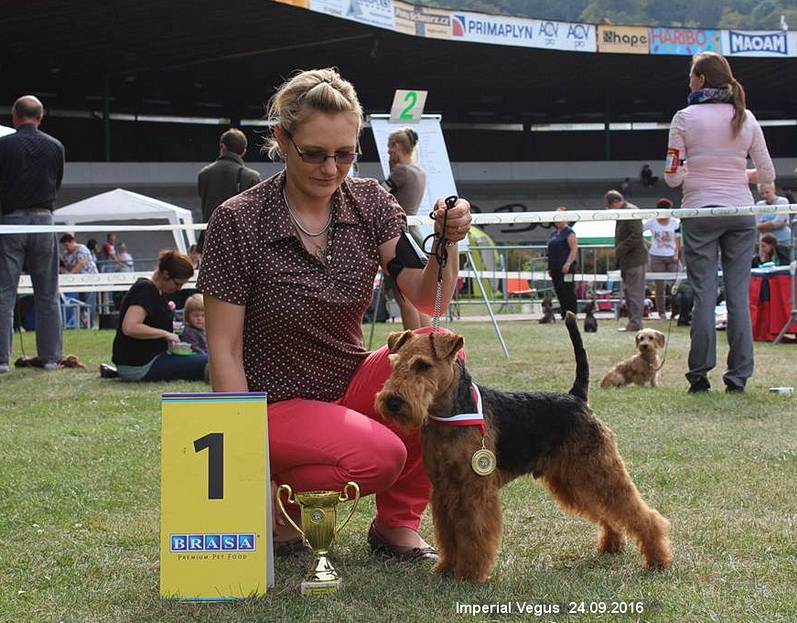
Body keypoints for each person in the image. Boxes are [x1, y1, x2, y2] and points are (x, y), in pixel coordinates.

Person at [197, 67, 471, 561]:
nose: (331, 168)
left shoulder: (369, 201)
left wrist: (446, 241)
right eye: (314, 153)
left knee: (442, 367)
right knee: (380, 455)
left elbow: (426, 299)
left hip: (350, 381)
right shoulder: (238, 220)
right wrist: (244, 461)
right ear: (282, 139)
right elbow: (225, 350)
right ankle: (282, 500)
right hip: (274, 402)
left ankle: (396, 524)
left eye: (345, 154)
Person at [665, 51, 776, 394]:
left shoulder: (684, 118)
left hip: (700, 211)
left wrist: (693, 171)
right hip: (741, 212)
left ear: (700, 79)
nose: (688, 81)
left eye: (690, 76)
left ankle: (699, 375)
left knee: (703, 295)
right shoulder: (747, 117)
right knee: (738, 296)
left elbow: (671, 177)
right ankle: (738, 377)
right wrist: (735, 173)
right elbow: (767, 174)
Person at [0, 95, 64, 374]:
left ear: (15, 117)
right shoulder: (56, 146)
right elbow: (57, 183)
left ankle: (2, 360)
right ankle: (50, 358)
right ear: (40, 117)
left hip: (11, 221)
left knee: (4, 293)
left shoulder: (4, 146)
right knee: (47, 293)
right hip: (44, 219)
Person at [111, 250, 208, 382]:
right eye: (177, 283)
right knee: (208, 360)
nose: (179, 289)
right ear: (166, 274)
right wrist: (165, 334)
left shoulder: (156, 291)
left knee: (204, 358)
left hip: (149, 360)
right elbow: (130, 327)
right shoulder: (146, 290)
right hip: (140, 366)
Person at [384, 126, 429, 330]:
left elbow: (380, 193)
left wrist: (391, 167)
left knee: (405, 299)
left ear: (396, 146)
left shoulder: (401, 171)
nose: (388, 151)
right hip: (415, 235)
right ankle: (426, 340)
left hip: (399, 236)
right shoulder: (419, 171)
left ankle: (412, 343)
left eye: (389, 146)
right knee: (418, 298)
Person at [197, 128, 261, 251]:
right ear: (243, 152)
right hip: (239, 244)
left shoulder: (204, 174)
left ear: (222, 147)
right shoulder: (251, 177)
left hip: (210, 241)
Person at [605, 190, 647, 332]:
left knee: (635, 293)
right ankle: (633, 322)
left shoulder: (630, 211)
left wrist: (619, 249)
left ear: (616, 202)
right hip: (627, 260)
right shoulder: (623, 212)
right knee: (629, 293)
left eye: (609, 206)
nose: (609, 210)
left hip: (635, 259)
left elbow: (637, 235)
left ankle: (636, 323)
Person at [644, 198, 681, 320]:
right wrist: (648, 244)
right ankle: (661, 312)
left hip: (672, 256)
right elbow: (638, 232)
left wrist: (676, 253)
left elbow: (678, 238)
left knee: (677, 283)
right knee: (660, 286)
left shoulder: (675, 223)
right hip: (656, 256)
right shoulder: (651, 222)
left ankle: (676, 310)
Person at [59, 233, 99, 327]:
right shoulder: (66, 254)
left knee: (88, 302)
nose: (66, 248)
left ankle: (88, 324)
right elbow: (66, 266)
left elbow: (80, 264)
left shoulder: (81, 249)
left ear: (72, 242)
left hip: (88, 280)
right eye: (64, 246)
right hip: (76, 282)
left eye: (67, 245)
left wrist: (70, 275)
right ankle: (78, 323)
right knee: (77, 303)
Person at [546, 206, 578, 319]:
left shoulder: (569, 232)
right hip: (555, 267)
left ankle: (572, 313)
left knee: (568, 290)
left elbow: (574, 249)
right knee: (559, 290)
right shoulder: (553, 234)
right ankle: (564, 312)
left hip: (566, 268)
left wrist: (568, 263)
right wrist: (550, 267)